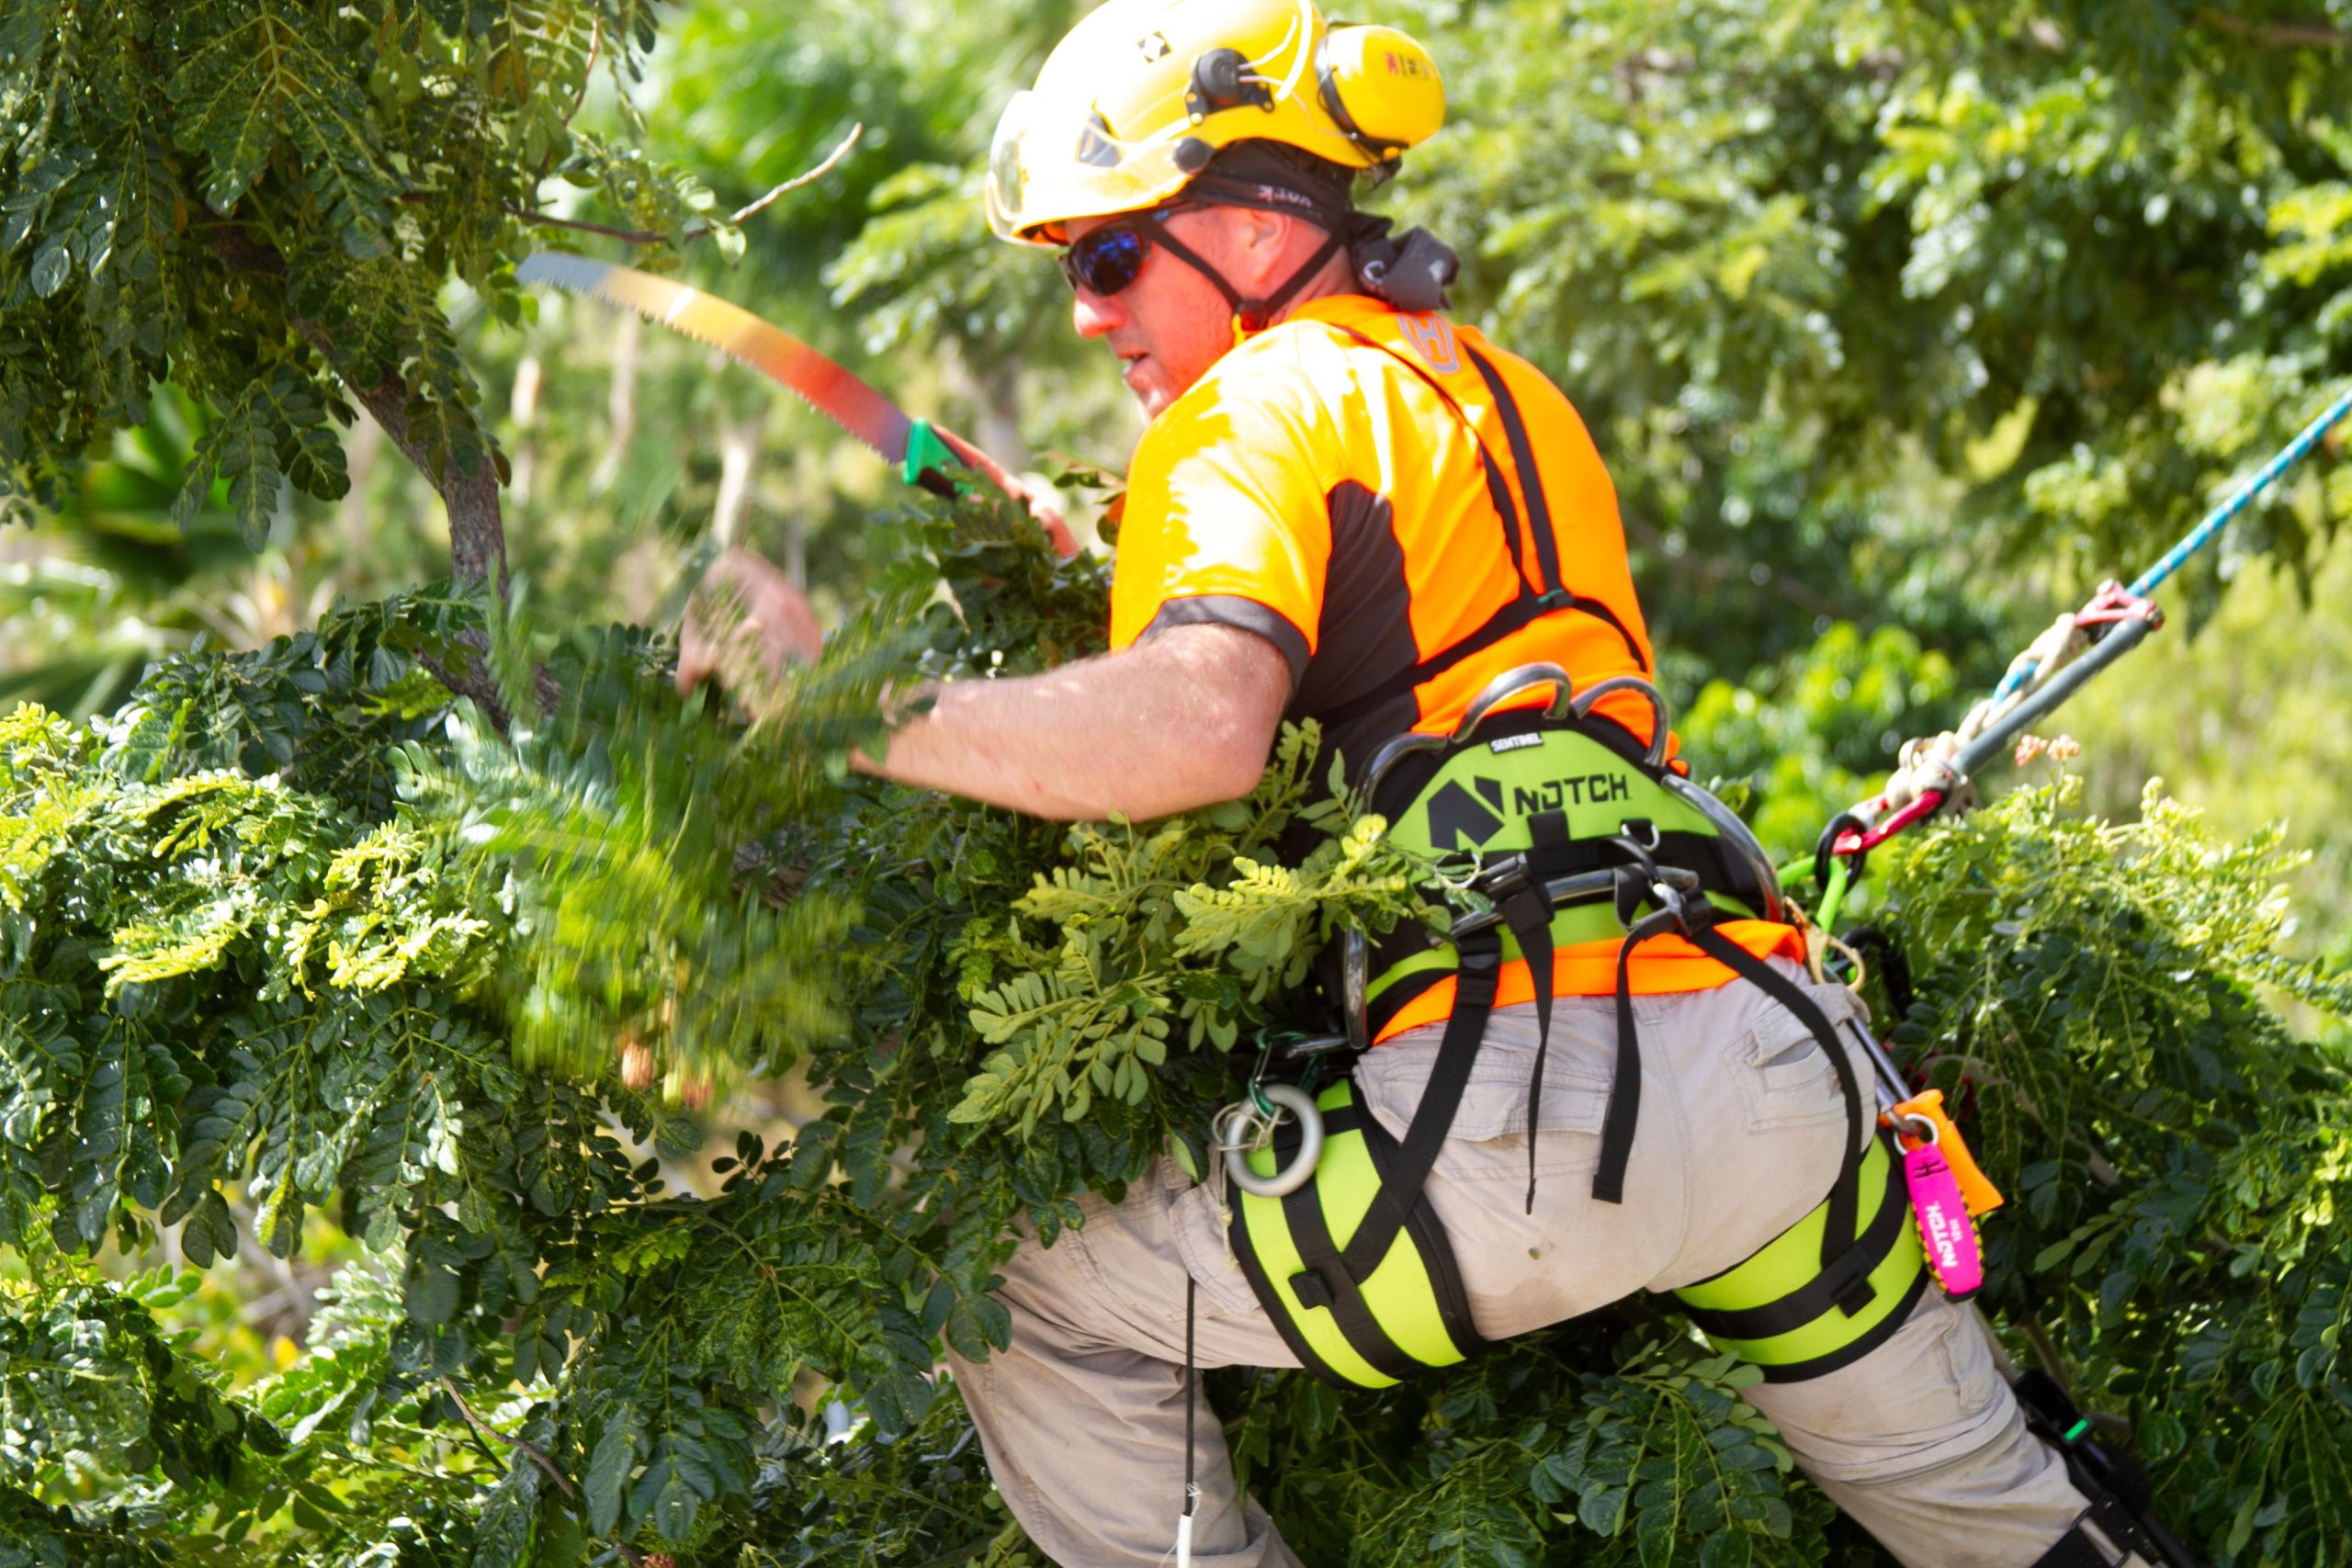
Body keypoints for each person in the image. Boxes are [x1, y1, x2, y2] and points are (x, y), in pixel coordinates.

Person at [678, 4, 2180, 1565]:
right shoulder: (1515, 405)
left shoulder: (1244, 416)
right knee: (2021, 1533)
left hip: (1531, 1113)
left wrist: (834, 703)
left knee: (1016, 1284)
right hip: (1777, 1073)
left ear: (1258, 227)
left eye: (1111, 258)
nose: (1085, 313)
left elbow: (1200, 730)